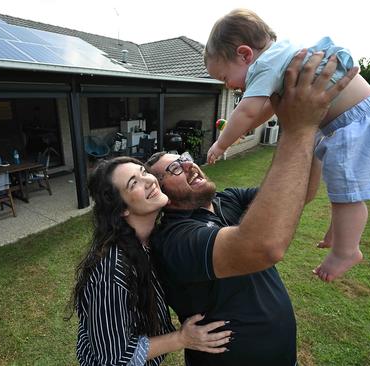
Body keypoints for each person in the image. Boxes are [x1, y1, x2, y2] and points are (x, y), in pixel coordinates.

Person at [146, 51, 357, 365]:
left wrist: (314, 127)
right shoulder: (175, 239)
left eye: (185, 160)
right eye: (174, 170)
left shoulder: (227, 200)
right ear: (161, 193)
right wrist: (298, 129)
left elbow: (298, 196)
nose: (189, 167)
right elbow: (263, 247)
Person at [204, 9, 370, 282]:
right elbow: (263, 111)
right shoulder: (280, 59)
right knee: (342, 188)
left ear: (245, 54)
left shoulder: (264, 64)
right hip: (353, 119)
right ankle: (339, 231)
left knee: (348, 192)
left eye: (225, 78)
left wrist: (221, 144)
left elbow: (248, 111)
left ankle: (347, 250)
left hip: (355, 121)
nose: (229, 86)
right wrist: (241, 129)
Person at [71, 157, 233, 365]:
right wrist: (182, 338)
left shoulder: (151, 240)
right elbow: (114, 357)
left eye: (144, 172)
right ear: (122, 209)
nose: (149, 181)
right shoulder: (111, 272)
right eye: (134, 183)